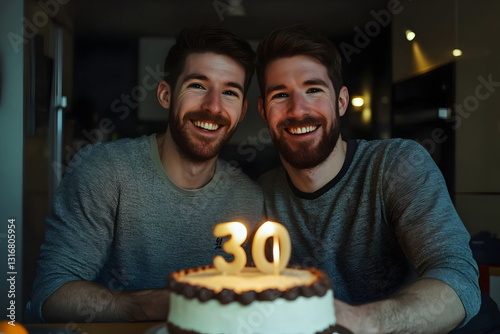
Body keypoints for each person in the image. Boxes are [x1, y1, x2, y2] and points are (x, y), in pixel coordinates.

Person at [255, 25, 483, 333]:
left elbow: (459, 279)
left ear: (341, 102)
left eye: (313, 90)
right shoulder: (260, 195)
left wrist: (363, 322)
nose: (298, 110)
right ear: (263, 111)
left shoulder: (397, 164)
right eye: (281, 95)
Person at [28, 25, 264, 323]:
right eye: (197, 85)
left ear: (241, 112)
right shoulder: (104, 170)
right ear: (166, 95)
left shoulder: (251, 200)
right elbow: (50, 296)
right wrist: (153, 305)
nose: (213, 106)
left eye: (229, 92)